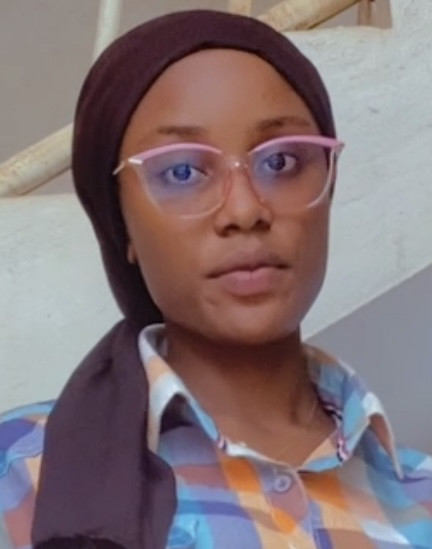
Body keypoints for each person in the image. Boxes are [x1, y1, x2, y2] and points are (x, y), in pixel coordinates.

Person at [0, 9, 431, 549]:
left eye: (282, 161)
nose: (245, 210)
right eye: (182, 171)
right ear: (121, 223)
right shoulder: (19, 473)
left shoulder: (420, 497)